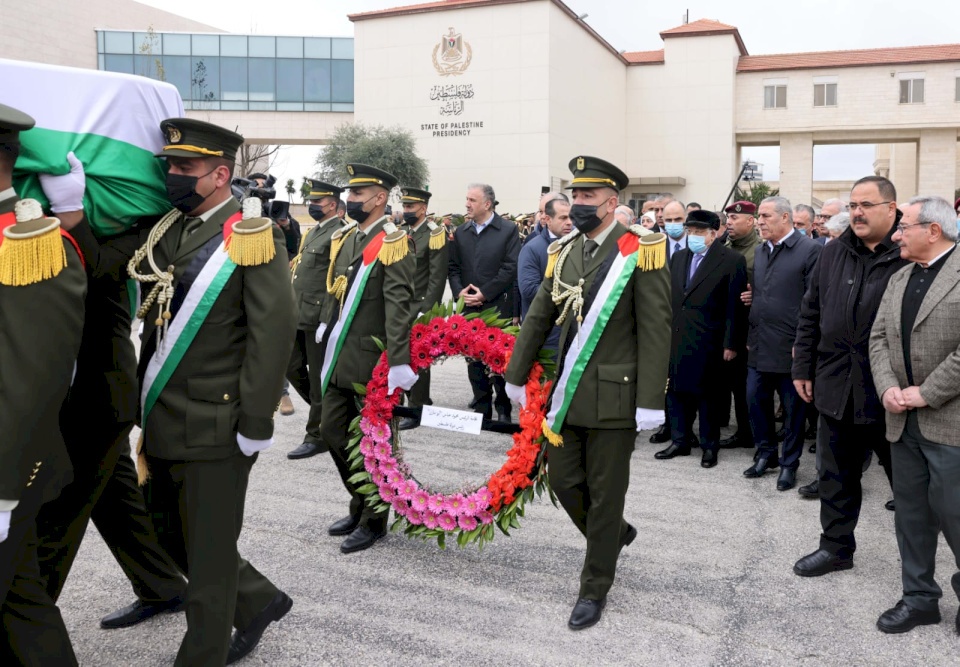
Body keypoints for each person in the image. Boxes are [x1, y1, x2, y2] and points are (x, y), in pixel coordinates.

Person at [129, 118, 295, 665]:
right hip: (165, 416)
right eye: (170, 166)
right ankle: (260, 600)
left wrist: (256, 424)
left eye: (186, 168)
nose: (173, 176)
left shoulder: (251, 235)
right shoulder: (171, 229)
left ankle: (201, 655)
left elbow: (271, 335)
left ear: (221, 174)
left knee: (208, 552)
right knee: (166, 532)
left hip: (216, 423)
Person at [504, 156, 670, 631]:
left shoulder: (642, 249)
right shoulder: (565, 250)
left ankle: (594, 587)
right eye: (574, 196)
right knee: (562, 483)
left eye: (588, 197)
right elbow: (539, 313)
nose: (578, 204)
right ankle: (615, 536)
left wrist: (651, 402)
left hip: (616, 396)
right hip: (570, 392)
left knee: (606, 494)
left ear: (612, 202)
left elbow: (657, 330)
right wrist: (516, 373)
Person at [33, 153, 188, 628]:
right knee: (114, 500)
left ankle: (25, 619)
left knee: (58, 515)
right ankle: (161, 585)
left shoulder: (144, 235)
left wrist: (73, 211)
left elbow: (96, 272)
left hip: (99, 399)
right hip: (86, 395)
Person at [0, 103, 87, 666]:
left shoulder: (30, 243)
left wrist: (4, 489)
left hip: (7, 465)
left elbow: (36, 378)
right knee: (22, 603)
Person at [791, 175, 904, 578]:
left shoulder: (908, 252)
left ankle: (919, 571)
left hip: (890, 393)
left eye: (866, 205)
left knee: (911, 488)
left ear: (891, 209)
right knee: (835, 477)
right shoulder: (833, 253)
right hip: (836, 384)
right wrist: (802, 367)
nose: (857, 212)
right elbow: (811, 313)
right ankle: (836, 548)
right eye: (853, 205)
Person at [869, 194, 960, 635]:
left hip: (950, 421)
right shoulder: (900, 276)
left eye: (904, 226)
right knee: (911, 515)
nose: (897, 234)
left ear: (934, 230)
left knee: (956, 512)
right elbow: (879, 338)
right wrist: (888, 387)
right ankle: (920, 598)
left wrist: (926, 392)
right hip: (902, 420)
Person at [317, 164, 416, 554]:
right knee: (331, 432)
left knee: (375, 446)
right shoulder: (346, 238)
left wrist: (398, 360)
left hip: (372, 362)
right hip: (341, 356)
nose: (350, 200)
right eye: (350, 194)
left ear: (379, 199)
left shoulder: (392, 241)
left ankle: (374, 518)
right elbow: (336, 290)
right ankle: (359, 501)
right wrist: (325, 325)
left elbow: (398, 306)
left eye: (359, 195)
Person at [656, 209, 747, 468]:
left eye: (698, 233)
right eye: (690, 232)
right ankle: (680, 440)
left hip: (710, 339)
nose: (693, 237)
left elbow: (734, 307)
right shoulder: (680, 257)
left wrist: (731, 343)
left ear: (713, 234)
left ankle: (709, 446)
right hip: (677, 335)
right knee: (675, 392)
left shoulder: (731, 260)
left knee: (708, 396)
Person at [742, 196, 821, 491]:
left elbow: (813, 303)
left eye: (765, 216)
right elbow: (761, 295)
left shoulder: (810, 251)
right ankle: (766, 455)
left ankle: (789, 464)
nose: (759, 221)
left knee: (793, 412)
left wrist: (803, 346)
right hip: (760, 344)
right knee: (755, 402)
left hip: (791, 347)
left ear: (785, 218)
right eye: (759, 216)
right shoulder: (761, 251)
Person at [448, 183, 520, 422]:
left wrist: (485, 293)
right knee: (473, 360)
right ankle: (481, 407)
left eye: (472, 200)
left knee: (498, 357)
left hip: (497, 306)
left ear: (487, 204)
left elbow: (510, 268)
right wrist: (460, 292)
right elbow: (454, 267)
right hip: (468, 306)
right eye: (466, 199)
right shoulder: (461, 232)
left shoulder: (508, 230)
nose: (467, 204)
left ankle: (503, 407)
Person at [285, 180, 344, 459]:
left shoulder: (340, 233)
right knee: (290, 364)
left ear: (332, 205)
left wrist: (326, 319)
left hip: (317, 316)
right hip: (298, 312)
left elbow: (336, 279)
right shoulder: (313, 232)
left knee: (320, 376)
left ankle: (317, 434)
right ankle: (329, 411)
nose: (312, 206)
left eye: (317, 202)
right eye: (311, 201)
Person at [397, 186, 449, 431]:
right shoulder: (403, 232)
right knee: (399, 353)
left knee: (418, 356)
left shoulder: (435, 234)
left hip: (419, 304)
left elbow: (437, 279)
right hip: (400, 303)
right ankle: (405, 400)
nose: (406, 211)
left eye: (410, 207)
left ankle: (417, 407)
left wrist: (427, 310)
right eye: (405, 206)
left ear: (423, 209)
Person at [719, 201, 762, 451]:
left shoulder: (760, 250)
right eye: (729, 219)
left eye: (736, 219)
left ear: (750, 221)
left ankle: (748, 432)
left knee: (745, 384)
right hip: (725, 323)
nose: (730, 223)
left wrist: (756, 293)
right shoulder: (725, 245)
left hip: (746, 326)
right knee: (731, 382)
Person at [270, 199, 301, 417]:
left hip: (277, 285)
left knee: (278, 340)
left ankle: (282, 392)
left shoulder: (289, 223)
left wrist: (285, 225)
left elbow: (294, 249)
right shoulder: (240, 220)